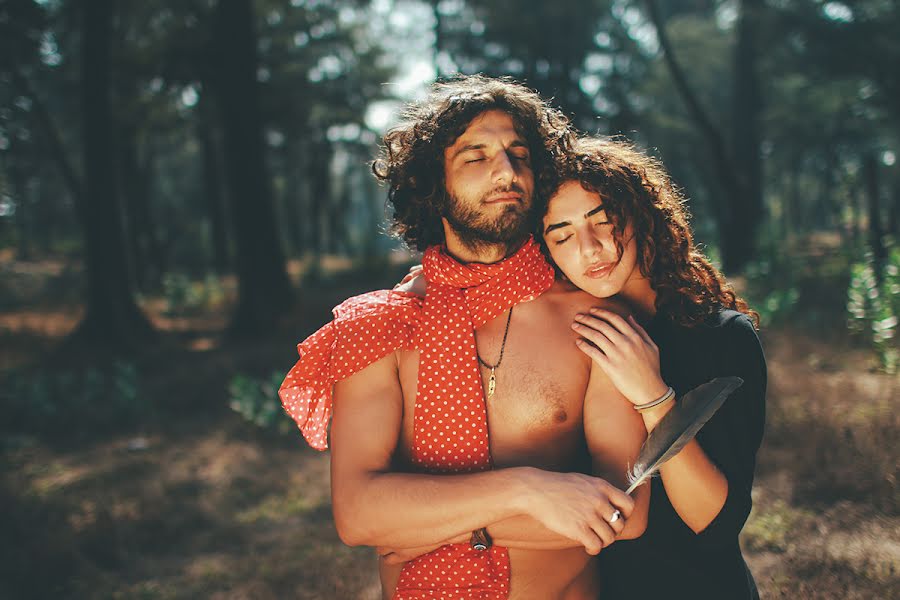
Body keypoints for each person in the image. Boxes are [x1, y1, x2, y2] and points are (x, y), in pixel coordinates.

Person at [278, 76, 649, 600]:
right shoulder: (379, 326)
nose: (507, 171)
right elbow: (358, 516)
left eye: (520, 155)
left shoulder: (590, 319)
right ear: (433, 183)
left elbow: (624, 512)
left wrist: (426, 523)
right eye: (476, 157)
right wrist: (530, 490)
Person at [539, 136, 767, 599]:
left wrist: (653, 397)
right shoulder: (557, 341)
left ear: (643, 216)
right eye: (562, 236)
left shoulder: (723, 338)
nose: (590, 248)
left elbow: (715, 523)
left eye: (604, 220)